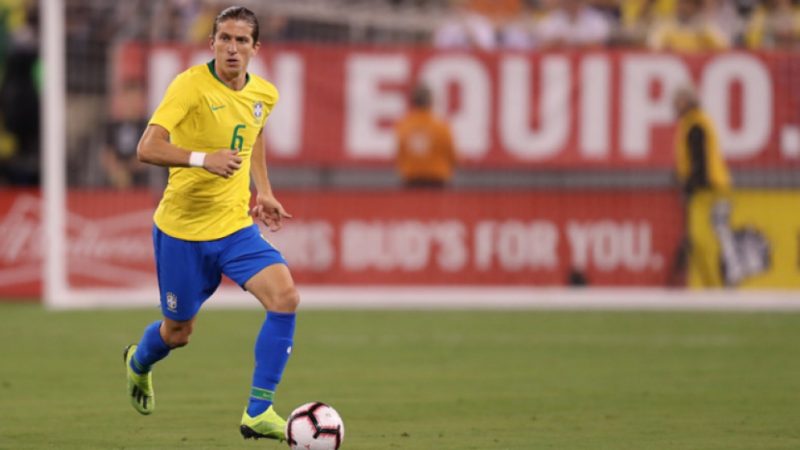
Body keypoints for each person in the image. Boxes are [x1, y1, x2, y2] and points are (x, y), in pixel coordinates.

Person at [124, 6, 298, 442]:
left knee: (285, 297)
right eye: (225, 38)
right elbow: (147, 148)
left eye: (242, 41)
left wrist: (265, 190)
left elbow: (252, 136)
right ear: (212, 43)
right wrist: (204, 159)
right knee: (178, 333)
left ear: (256, 48)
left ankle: (258, 411)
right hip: (182, 231)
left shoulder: (265, 94)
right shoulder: (189, 86)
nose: (232, 48)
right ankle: (138, 362)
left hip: (234, 226)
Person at [668, 85, 731, 286]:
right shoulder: (693, 123)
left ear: (687, 101)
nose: (674, 105)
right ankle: (712, 285)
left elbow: (700, 162)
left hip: (708, 192)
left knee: (705, 241)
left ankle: (714, 285)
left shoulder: (696, 125)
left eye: (678, 100)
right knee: (709, 240)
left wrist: (689, 186)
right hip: (710, 190)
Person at [394, 84, 457, 188]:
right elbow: (453, 155)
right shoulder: (441, 126)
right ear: (431, 102)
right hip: (437, 180)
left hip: (411, 180)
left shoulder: (404, 125)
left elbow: (399, 154)